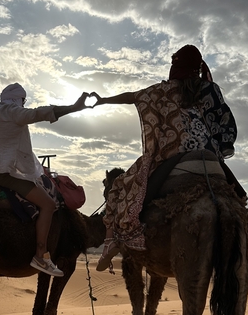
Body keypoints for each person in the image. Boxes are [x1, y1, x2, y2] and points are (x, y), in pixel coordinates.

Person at [90, 44, 238, 272]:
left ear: (175, 66)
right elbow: (224, 121)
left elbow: (133, 97)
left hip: (176, 154)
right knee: (239, 198)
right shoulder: (210, 89)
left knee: (121, 186)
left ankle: (112, 243)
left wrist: (103, 100)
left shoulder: (163, 90)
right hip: (211, 157)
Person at [0, 83, 89, 277]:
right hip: (4, 174)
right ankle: (41, 256)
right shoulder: (11, 111)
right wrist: (73, 108)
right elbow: (37, 114)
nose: (23, 104)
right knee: (48, 204)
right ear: (19, 99)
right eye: (23, 100)